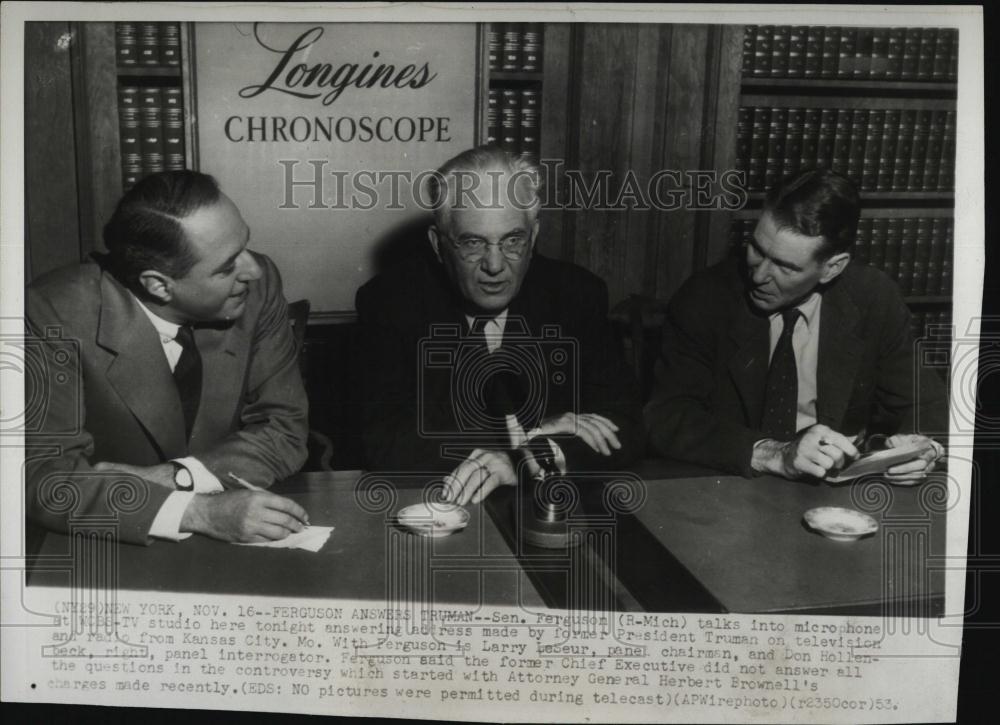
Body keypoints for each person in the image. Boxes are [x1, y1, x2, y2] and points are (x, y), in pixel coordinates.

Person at [25, 170, 309, 545]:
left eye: (245, 246)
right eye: (226, 267)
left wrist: (179, 476)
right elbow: (41, 477)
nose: (253, 269)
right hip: (106, 549)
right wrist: (197, 512)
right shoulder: (51, 312)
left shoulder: (257, 287)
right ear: (158, 284)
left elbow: (285, 428)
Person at [356, 146, 643, 505]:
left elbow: (626, 425)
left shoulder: (577, 294)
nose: (494, 265)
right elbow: (385, 443)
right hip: (442, 508)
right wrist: (535, 438)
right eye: (473, 243)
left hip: (556, 509)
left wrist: (522, 461)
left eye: (512, 241)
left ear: (533, 235)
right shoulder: (389, 301)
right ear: (438, 244)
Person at [645, 168, 947, 481]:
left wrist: (922, 450)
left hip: (834, 494)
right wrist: (774, 453)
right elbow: (666, 416)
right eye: (757, 250)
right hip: (735, 484)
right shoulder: (706, 296)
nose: (759, 275)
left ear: (832, 268)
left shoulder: (873, 298)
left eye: (786, 267)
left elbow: (930, 405)